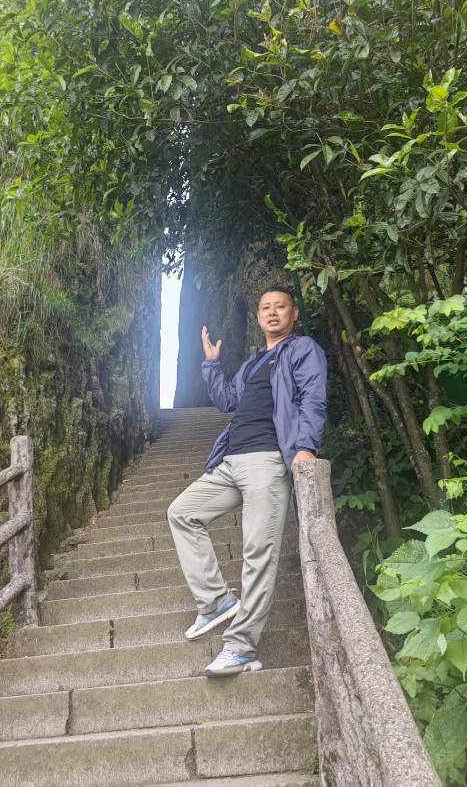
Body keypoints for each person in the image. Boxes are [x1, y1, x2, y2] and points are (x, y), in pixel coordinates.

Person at [167, 286, 327, 677]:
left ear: (294, 314)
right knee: (182, 512)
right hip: (230, 461)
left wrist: (305, 446)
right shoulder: (254, 362)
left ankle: (240, 647)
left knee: (258, 553)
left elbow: (313, 397)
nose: (272, 313)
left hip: (267, 461)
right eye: (265, 308)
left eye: (280, 307)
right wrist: (211, 364)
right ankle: (217, 602)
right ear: (258, 317)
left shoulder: (303, 350)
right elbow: (226, 401)